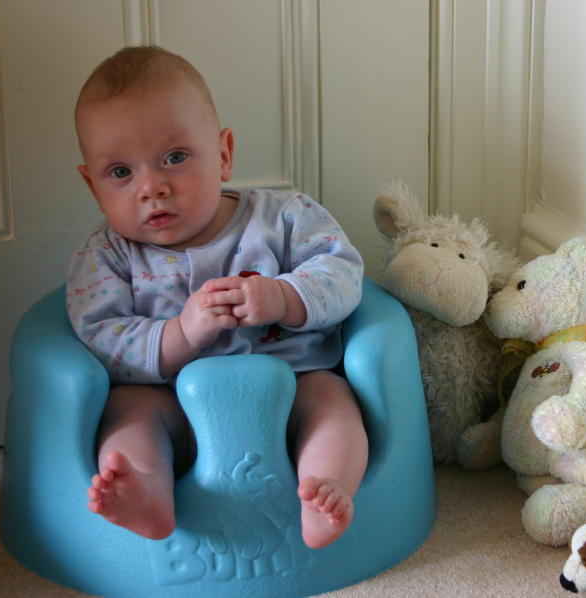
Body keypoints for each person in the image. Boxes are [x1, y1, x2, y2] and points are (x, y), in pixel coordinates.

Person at [66, 45, 367, 550]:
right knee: (128, 415)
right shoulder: (106, 258)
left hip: (293, 386)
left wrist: (285, 296)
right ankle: (146, 489)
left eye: (175, 158)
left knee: (334, 402)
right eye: (120, 172)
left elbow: (343, 273)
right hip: (171, 406)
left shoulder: (285, 217)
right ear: (93, 185)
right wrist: (180, 334)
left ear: (224, 153)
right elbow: (103, 337)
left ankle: (327, 488)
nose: (152, 188)